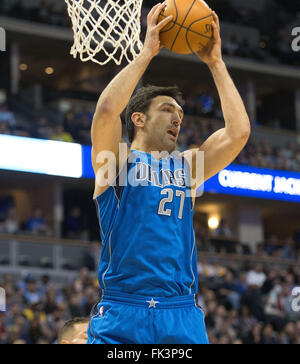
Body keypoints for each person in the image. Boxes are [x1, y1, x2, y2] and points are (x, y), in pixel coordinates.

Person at [88, 3, 250, 344]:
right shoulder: (116, 163)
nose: (178, 117)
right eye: (166, 109)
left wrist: (216, 63)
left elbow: (238, 133)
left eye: (180, 112)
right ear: (139, 119)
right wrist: (147, 53)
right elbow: (105, 111)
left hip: (181, 312)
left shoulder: (188, 166)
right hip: (123, 310)